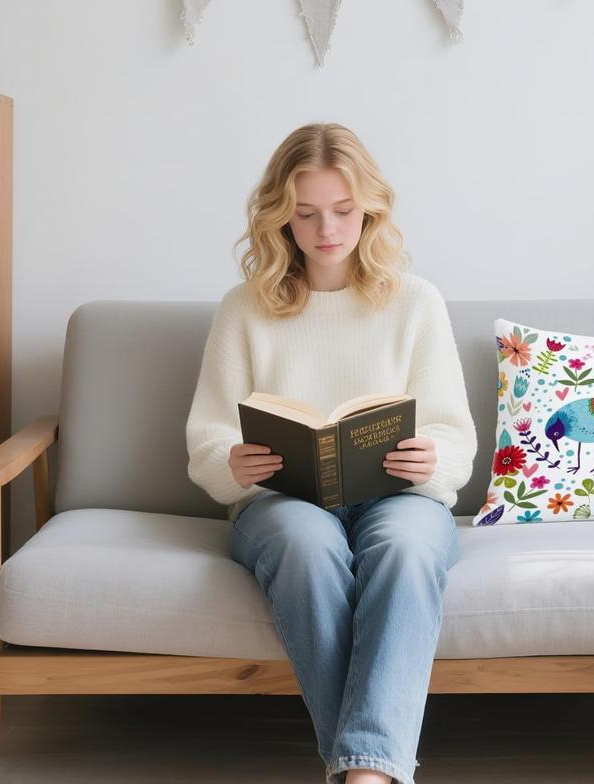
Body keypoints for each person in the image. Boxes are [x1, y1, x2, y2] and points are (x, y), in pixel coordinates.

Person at [185, 122, 477, 784]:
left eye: (343, 211)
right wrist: (231, 462)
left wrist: (434, 457)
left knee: (406, 547)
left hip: (397, 497)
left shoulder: (415, 301)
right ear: (279, 218)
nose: (326, 230)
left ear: (370, 208)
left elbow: (454, 434)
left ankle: (364, 774)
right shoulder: (244, 308)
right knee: (306, 544)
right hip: (280, 504)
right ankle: (371, 767)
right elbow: (206, 438)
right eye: (307, 213)